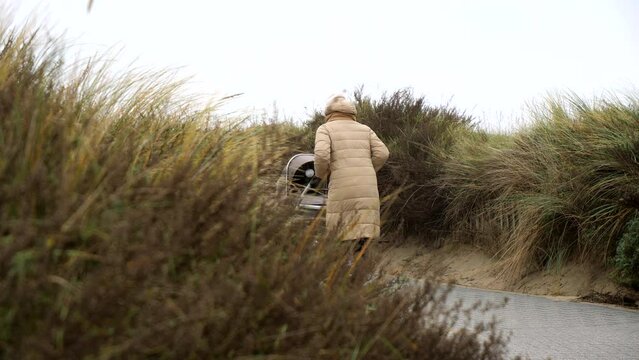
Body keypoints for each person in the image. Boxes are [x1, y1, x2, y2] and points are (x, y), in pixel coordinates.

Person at [313, 94, 389, 252]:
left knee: (341, 232)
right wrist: (368, 169)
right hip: (367, 187)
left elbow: (321, 155)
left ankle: (344, 271)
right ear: (352, 113)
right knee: (363, 232)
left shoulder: (325, 129)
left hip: (341, 186)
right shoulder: (365, 129)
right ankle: (360, 270)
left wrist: (323, 175)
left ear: (329, 114)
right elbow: (383, 153)